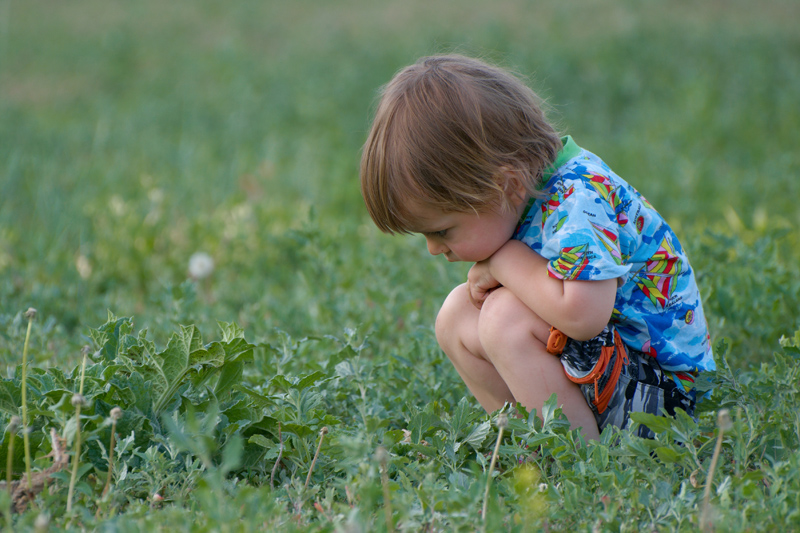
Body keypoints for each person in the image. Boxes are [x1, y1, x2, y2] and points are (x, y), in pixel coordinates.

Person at [359, 54, 715, 440]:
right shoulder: (524, 199)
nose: (432, 249)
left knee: (504, 319)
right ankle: (524, 443)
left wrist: (503, 261)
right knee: (456, 316)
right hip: (612, 379)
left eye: (443, 231)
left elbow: (584, 316)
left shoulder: (579, 199)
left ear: (506, 185)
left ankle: (578, 462)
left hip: (667, 405)